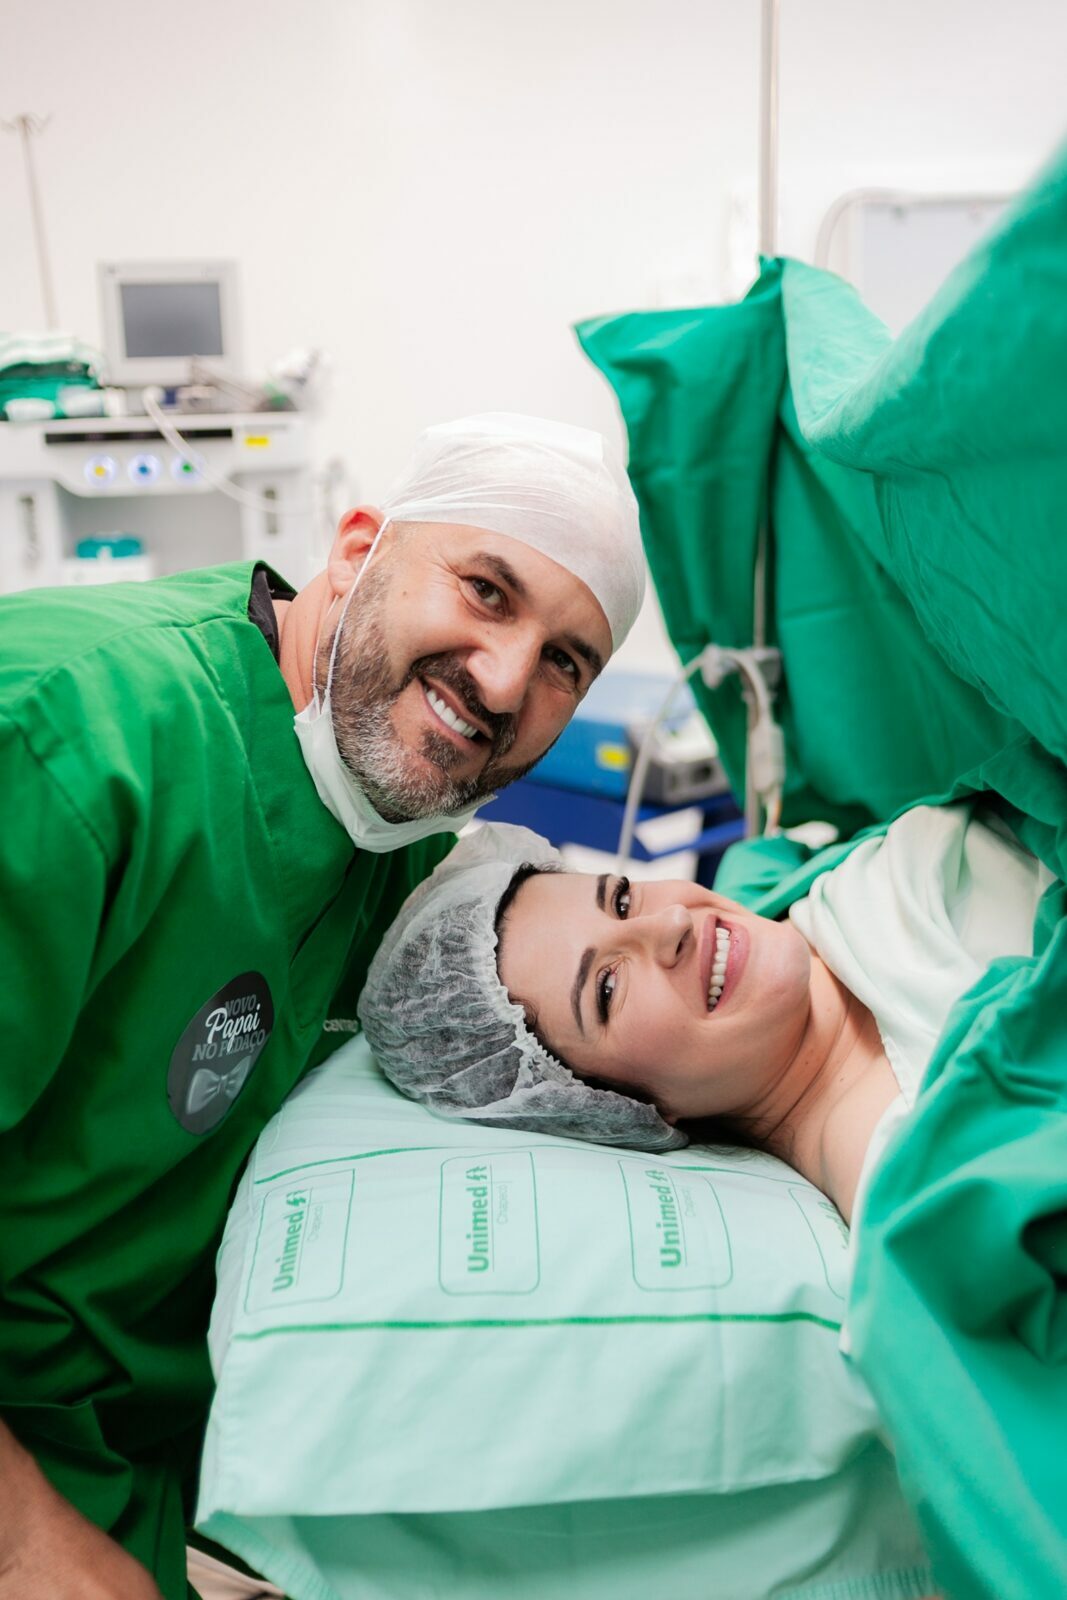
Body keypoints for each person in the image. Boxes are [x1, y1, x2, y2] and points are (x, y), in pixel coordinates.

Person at [0, 413, 645, 1600]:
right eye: (485, 590)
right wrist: (27, 1548)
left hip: (156, 1465)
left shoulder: (393, 848)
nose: (505, 681)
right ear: (355, 551)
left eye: (566, 661)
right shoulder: (65, 739)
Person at [358, 803, 1052, 1228]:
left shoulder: (839, 880)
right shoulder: (930, 1186)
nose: (669, 927)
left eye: (622, 899)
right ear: (618, 1110)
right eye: (607, 988)